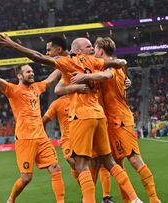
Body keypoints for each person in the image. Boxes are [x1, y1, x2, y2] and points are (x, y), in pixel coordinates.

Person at [0, 33, 142, 203]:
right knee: (108, 162)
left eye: (92, 46)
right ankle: (134, 199)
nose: (92, 49)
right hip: (99, 115)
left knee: (81, 165)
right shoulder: (94, 61)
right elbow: (111, 66)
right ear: (79, 50)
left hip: (82, 116)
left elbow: (38, 58)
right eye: (89, 46)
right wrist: (119, 64)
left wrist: (14, 45)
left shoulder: (70, 62)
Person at [66, 37, 161, 203]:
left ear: (101, 51)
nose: (92, 53)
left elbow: (107, 75)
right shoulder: (111, 65)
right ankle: (125, 200)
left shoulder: (110, 66)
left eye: (94, 49)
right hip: (107, 121)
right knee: (113, 164)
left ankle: (154, 199)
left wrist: (84, 77)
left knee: (133, 159)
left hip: (120, 120)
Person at [0, 50, 65, 203]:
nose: (31, 73)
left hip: (41, 136)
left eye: (32, 71)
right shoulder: (13, 90)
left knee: (55, 168)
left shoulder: (36, 88)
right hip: (25, 139)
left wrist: (62, 65)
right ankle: (11, 199)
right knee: (26, 177)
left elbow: (50, 79)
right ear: (20, 76)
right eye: (28, 72)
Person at [43, 36, 114, 203]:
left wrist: (122, 77)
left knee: (97, 163)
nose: (47, 53)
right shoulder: (57, 103)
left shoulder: (85, 65)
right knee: (77, 164)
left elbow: (109, 74)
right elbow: (57, 88)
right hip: (69, 137)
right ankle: (88, 195)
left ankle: (101, 196)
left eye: (48, 49)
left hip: (91, 120)